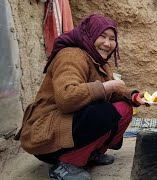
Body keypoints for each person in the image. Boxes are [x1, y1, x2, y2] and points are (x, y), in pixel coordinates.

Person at [14, 14, 147, 180]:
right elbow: (66, 99)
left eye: (112, 38)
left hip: (67, 129)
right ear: (89, 35)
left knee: (124, 108)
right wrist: (108, 86)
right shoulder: (71, 55)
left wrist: (133, 96)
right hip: (45, 135)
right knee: (104, 112)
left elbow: (113, 91)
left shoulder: (99, 61)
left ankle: (90, 154)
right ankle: (65, 164)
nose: (108, 43)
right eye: (102, 36)